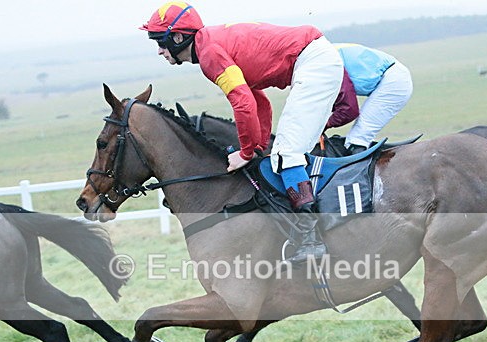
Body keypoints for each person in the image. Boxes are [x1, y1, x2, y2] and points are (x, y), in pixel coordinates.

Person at [141, 2, 343, 263]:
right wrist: (258, 146)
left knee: (287, 153)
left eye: (160, 41)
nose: (159, 51)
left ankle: (310, 239)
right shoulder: (210, 45)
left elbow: (243, 103)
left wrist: (246, 152)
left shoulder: (210, 55)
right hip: (316, 59)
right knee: (289, 152)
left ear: (178, 37)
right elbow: (260, 102)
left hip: (314, 63)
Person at [325, 44, 414, 154]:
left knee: (357, 138)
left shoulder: (327, 63)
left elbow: (349, 110)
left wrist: (326, 123)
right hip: (390, 73)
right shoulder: (322, 54)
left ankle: (357, 169)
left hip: (393, 81)